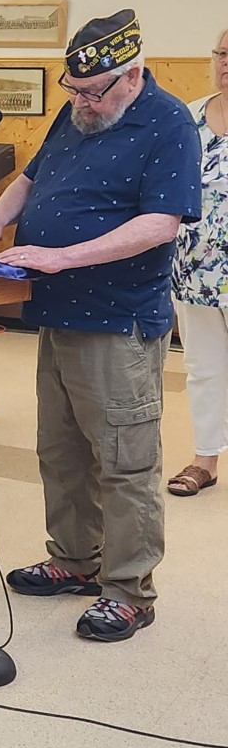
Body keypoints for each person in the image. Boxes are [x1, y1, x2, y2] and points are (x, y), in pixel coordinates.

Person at [0, 9, 201, 642]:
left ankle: (129, 590)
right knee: (61, 451)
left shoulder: (169, 123)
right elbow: (33, 177)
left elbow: (162, 223)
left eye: (93, 92)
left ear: (132, 76)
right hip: (56, 313)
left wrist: (60, 255)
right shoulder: (80, 111)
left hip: (118, 321)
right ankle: (74, 561)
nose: (81, 102)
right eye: (74, 89)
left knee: (124, 460)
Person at [168, 27, 228, 497]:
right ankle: (204, 460)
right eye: (221, 54)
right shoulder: (189, 118)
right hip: (194, 270)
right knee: (203, 367)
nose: (225, 62)